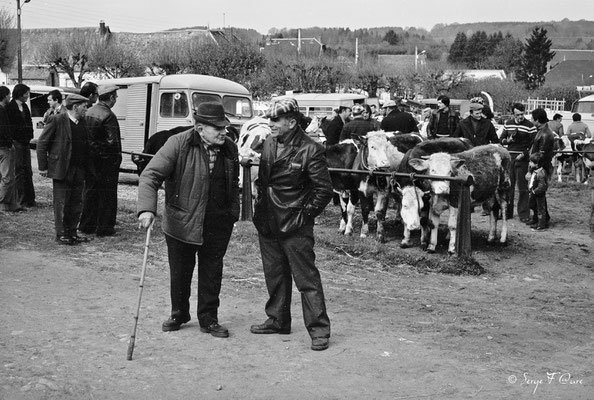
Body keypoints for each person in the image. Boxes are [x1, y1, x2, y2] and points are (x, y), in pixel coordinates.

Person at [137, 102, 240, 337]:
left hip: (217, 222)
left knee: (212, 272)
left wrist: (232, 213)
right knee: (181, 272)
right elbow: (150, 175)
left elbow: (233, 184)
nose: (224, 131)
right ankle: (179, 314)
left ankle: (209, 319)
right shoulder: (178, 144)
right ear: (200, 128)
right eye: (218, 128)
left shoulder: (229, 148)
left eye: (225, 126)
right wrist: (146, 209)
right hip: (181, 221)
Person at [251, 98, 333, 351]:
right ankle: (278, 319)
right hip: (268, 221)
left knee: (306, 279)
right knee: (274, 274)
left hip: (294, 225)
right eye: (270, 120)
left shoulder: (311, 149)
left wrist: (302, 217)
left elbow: (324, 190)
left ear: (292, 122)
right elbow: (264, 181)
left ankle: (319, 330)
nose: (270, 124)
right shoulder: (269, 143)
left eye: (275, 120)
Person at [36, 94, 93, 245]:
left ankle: (72, 232)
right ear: (75, 107)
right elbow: (42, 144)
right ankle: (61, 234)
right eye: (84, 106)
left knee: (76, 203)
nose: (86, 109)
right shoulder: (57, 120)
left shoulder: (84, 122)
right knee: (62, 203)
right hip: (62, 169)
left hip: (79, 169)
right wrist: (43, 167)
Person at [79, 85, 122, 237]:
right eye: (115, 96)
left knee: (91, 192)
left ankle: (86, 225)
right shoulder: (108, 115)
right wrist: (116, 160)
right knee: (107, 195)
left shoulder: (89, 112)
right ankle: (105, 227)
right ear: (110, 98)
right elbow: (112, 142)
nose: (116, 99)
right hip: (106, 162)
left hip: (90, 160)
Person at [500, 103, 536, 221]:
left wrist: (525, 154)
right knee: (508, 186)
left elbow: (533, 144)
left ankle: (523, 214)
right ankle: (507, 212)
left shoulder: (530, 126)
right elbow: (501, 140)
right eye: (517, 115)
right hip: (509, 158)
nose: (520, 117)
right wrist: (507, 140)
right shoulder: (508, 124)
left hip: (523, 159)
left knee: (523, 188)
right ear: (513, 114)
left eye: (522, 114)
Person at [7, 83, 35, 209]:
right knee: (19, 170)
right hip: (16, 142)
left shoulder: (25, 107)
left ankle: (30, 199)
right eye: (26, 93)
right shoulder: (10, 107)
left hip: (25, 142)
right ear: (20, 93)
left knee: (28, 170)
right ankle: (20, 200)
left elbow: (29, 122)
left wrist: (30, 136)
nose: (28, 96)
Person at [0, 86, 18, 212]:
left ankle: (8, 204)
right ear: (5, 95)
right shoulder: (2, 111)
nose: (10, 97)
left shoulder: (3, 109)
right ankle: (2, 203)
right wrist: (9, 142)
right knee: (8, 177)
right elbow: (4, 130)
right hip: (4, 147)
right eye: (9, 94)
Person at [525, 152, 549, 230]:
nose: (529, 164)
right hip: (534, 192)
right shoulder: (535, 171)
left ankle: (541, 224)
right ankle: (536, 220)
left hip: (538, 194)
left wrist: (535, 191)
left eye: (531, 162)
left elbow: (542, 186)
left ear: (537, 164)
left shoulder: (541, 173)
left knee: (540, 209)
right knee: (533, 206)